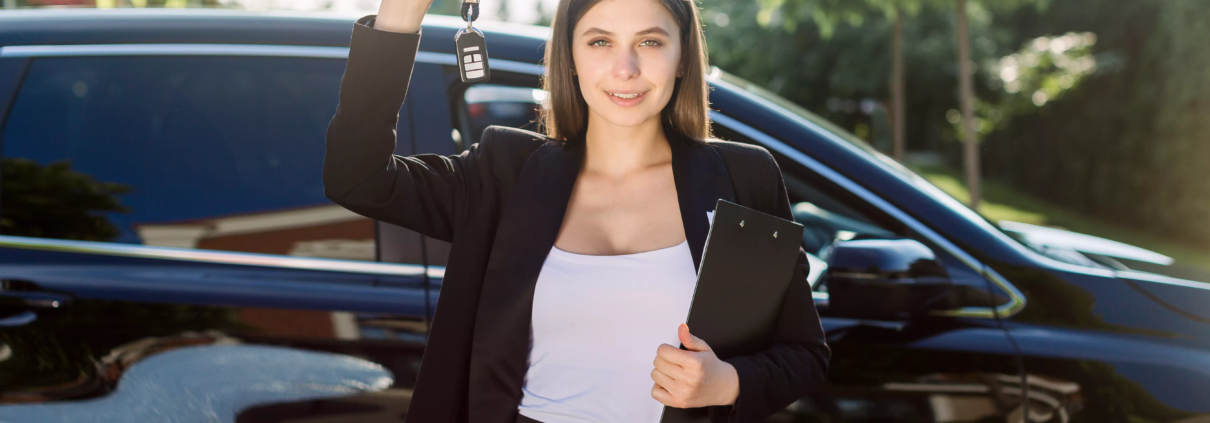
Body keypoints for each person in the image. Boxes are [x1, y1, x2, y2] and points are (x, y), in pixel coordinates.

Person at [323, 0, 830, 421]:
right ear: (569, 56)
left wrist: (730, 382)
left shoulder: (746, 179)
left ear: (682, 57)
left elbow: (804, 355)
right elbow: (358, 178)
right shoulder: (504, 173)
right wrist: (402, 12)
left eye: (650, 42)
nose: (625, 68)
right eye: (600, 41)